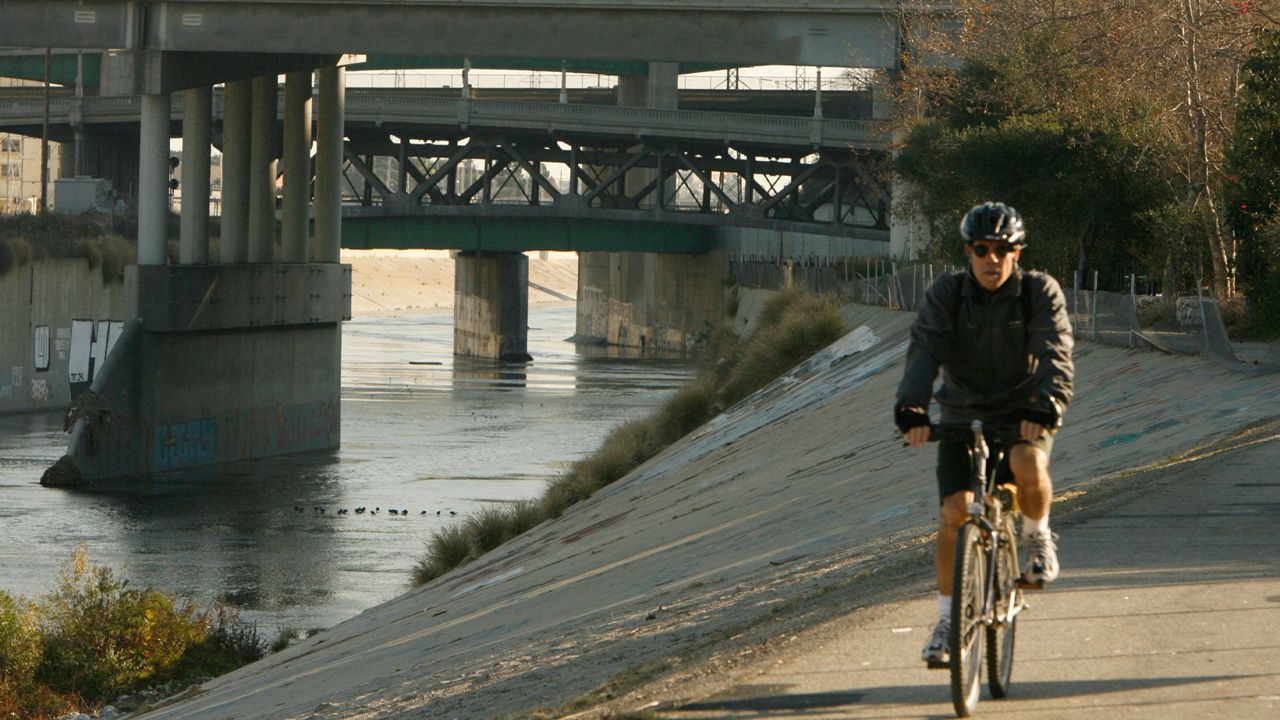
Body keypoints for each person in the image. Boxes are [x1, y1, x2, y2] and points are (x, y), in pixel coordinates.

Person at [894, 201, 1074, 666]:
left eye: (1002, 250)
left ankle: (1037, 537)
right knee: (954, 513)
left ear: (1017, 252)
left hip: (1023, 411)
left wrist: (1047, 404)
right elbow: (924, 349)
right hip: (961, 412)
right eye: (981, 250)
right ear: (968, 252)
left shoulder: (1038, 292)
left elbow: (1055, 351)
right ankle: (948, 621)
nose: (991, 260)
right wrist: (912, 408)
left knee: (1028, 462)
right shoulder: (948, 294)